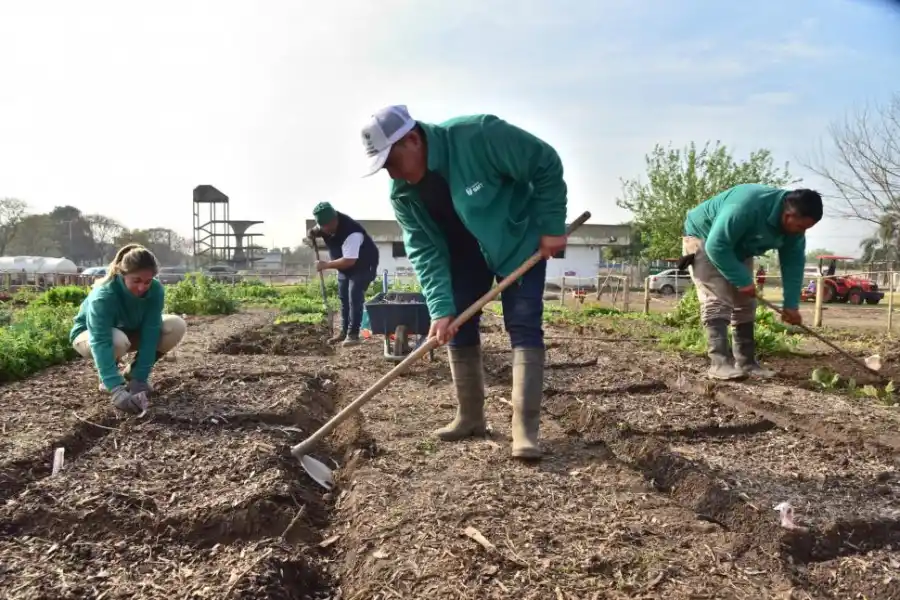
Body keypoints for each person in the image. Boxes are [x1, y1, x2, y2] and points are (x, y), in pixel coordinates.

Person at [358, 105, 569, 460]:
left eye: (391, 162)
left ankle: (525, 430)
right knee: (456, 322)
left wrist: (551, 226)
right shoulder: (403, 195)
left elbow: (544, 162)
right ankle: (470, 417)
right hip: (463, 256)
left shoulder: (479, 135)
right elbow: (424, 251)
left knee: (523, 323)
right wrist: (440, 308)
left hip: (516, 242)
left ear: (413, 140)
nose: (391, 173)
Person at [682, 184, 823, 380]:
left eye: (806, 228)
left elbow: (793, 265)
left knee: (746, 302)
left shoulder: (794, 232)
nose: (802, 232)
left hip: (739, 246)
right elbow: (716, 245)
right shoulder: (745, 207)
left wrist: (791, 305)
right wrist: (742, 280)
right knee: (717, 299)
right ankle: (719, 364)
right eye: (800, 227)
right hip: (705, 238)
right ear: (787, 214)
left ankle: (746, 363)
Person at [70, 244, 188, 413]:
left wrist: (140, 377)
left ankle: (132, 374)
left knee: (175, 325)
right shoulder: (104, 295)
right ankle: (108, 378)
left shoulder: (155, 291)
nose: (142, 287)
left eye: (147, 281)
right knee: (116, 340)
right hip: (89, 336)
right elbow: (100, 340)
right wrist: (116, 389)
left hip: (128, 332)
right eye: (136, 281)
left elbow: (151, 332)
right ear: (122, 274)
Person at [306, 202, 379, 346]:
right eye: (321, 227)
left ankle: (353, 335)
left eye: (326, 227)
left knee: (354, 298)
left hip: (363, 266)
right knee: (344, 298)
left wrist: (326, 265)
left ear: (334, 220)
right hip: (344, 267)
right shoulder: (324, 225)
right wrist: (311, 234)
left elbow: (349, 260)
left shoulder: (352, 232)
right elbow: (314, 231)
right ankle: (344, 332)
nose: (324, 230)